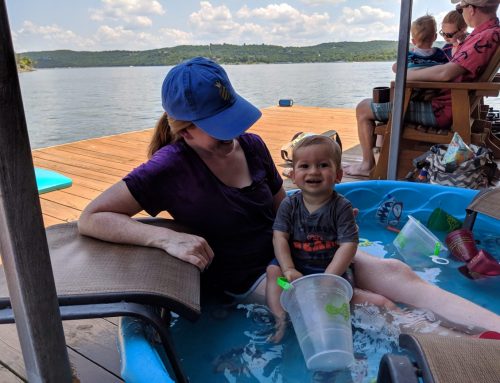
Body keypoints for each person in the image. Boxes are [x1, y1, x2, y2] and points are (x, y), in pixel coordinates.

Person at [78, 56, 500, 334]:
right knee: (373, 303)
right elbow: (92, 216)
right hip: (253, 276)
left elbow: (284, 206)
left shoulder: (252, 145)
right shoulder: (169, 168)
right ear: (184, 127)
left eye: (232, 118)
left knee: (397, 272)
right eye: (218, 126)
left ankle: (493, 334)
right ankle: (467, 358)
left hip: (298, 249)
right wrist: (166, 237)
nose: (233, 133)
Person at [344, 0, 499, 177]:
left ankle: (366, 164)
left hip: (441, 109)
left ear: (471, 9)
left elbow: (445, 74)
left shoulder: (484, 37)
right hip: (451, 103)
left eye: (460, 7)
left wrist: (403, 75)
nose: (460, 12)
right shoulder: (487, 33)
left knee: (363, 108)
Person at [265, 135, 360, 342]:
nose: (314, 171)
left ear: (339, 175)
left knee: (339, 298)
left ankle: (339, 328)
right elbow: (279, 236)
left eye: (323, 165)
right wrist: (288, 268)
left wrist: (330, 277)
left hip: (328, 267)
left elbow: (349, 244)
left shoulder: (341, 207)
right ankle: (280, 319)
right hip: (295, 271)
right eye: (304, 166)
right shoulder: (289, 205)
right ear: (293, 175)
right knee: (273, 272)